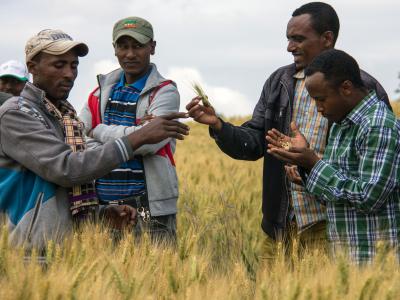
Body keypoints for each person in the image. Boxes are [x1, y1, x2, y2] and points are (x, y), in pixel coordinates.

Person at [186, 2, 391, 262]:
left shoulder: (361, 88)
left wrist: (310, 165)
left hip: (331, 227)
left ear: (327, 38)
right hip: (280, 228)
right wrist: (218, 125)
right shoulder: (278, 83)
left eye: (298, 39)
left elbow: (373, 173)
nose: (289, 47)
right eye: (288, 39)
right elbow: (255, 143)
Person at [0, 29, 189, 251]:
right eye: (59, 65)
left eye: (73, 65)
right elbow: (66, 169)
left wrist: (100, 214)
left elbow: (59, 192)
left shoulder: (63, 116)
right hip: (26, 252)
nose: (69, 74)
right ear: (32, 67)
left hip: (60, 250)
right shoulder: (17, 114)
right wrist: (138, 136)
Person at [266, 49, 400, 264]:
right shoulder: (340, 124)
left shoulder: (377, 125)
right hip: (343, 258)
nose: (319, 108)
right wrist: (306, 173)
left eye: (321, 99)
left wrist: (313, 163)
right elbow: (338, 197)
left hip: (374, 258)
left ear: (346, 88)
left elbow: (369, 197)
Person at [79, 17, 180, 244]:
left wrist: (98, 130)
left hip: (150, 208)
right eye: (123, 46)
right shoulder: (99, 93)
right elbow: (80, 136)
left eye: (138, 46)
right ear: (114, 49)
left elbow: (148, 143)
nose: (130, 54)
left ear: (152, 47)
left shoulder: (165, 92)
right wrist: (136, 132)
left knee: (157, 276)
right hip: (105, 209)